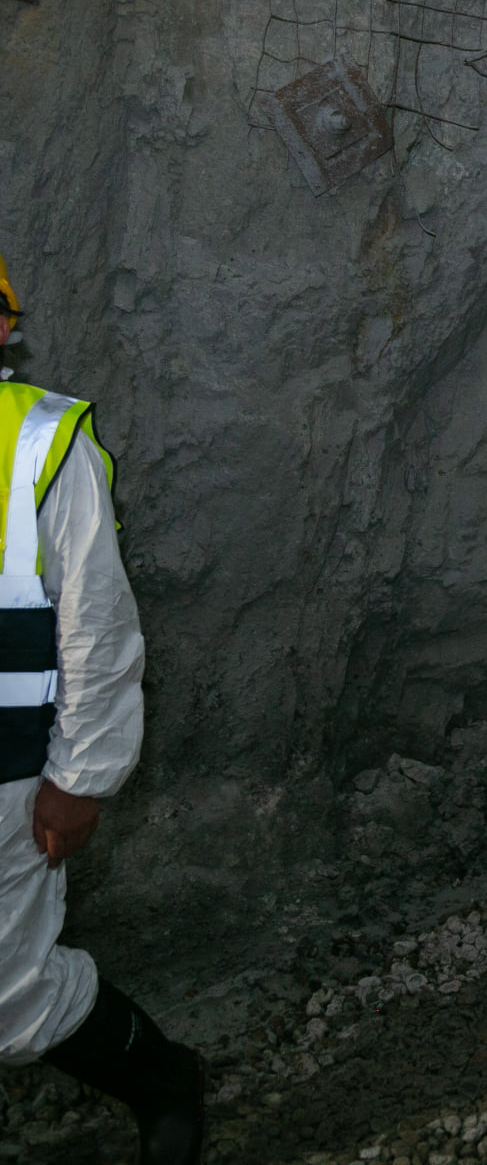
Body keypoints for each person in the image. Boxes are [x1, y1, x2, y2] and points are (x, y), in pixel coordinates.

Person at [0, 254, 204, 1162]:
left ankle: (165, 1084)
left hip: (9, 779)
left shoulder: (41, 441)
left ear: (4, 328)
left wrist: (80, 777)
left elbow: (96, 619)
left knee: (11, 997)